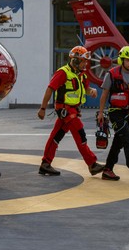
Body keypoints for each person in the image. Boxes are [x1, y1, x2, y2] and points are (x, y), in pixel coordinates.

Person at [37, 45, 104, 176]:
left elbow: (85, 89)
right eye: (84, 61)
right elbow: (50, 89)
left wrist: (92, 91)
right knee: (80, 135)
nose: (86, 64)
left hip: (72, 111)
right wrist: (42, 109)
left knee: (55, 137)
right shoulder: (63, 72)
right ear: (75, 60)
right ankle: (92, 164)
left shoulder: (82, 75)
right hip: (66, 111)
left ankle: (45, 164)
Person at [96, 45, 129, 183]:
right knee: (127, 140)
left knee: (118, 142)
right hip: (115, 113)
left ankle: (107, 170)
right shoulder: (111, 74)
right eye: (128, 60)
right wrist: (101, 113)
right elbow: (104, 94)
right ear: (121, 60)